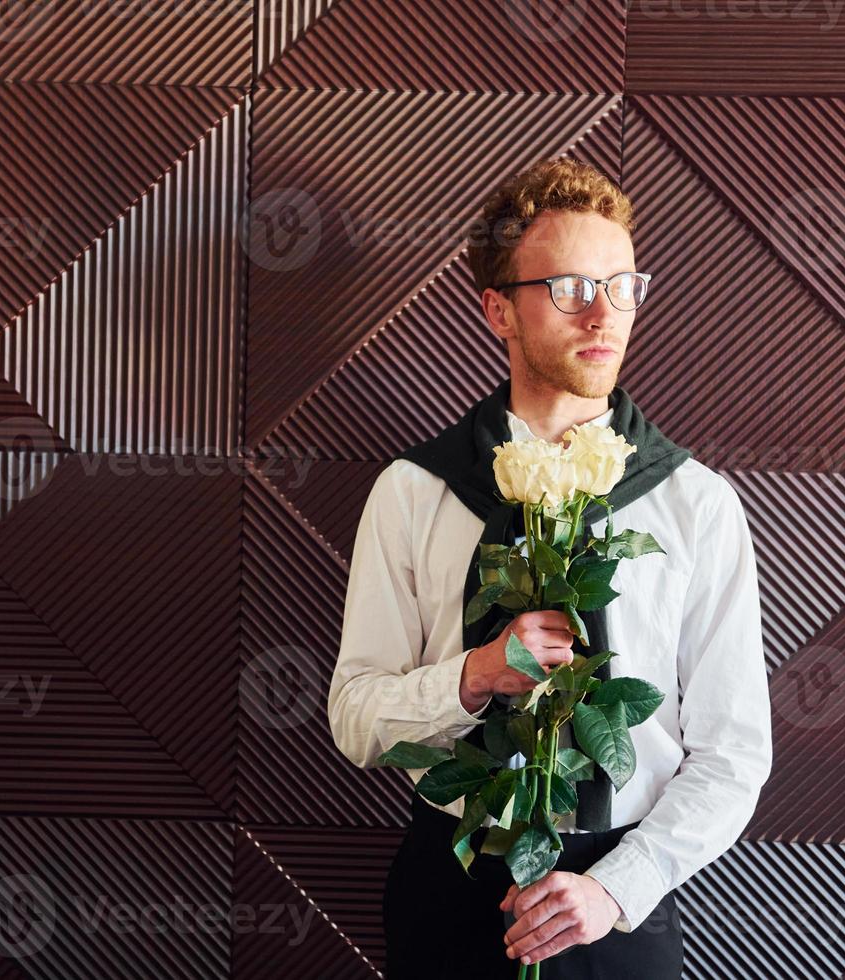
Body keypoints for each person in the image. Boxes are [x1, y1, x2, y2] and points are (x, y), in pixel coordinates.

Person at [326, 158, 773, 978]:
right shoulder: (415, 493)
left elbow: (733, 752)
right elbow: (355, 719)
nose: (604, 313)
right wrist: (474, 676)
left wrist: (616, 888)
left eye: (623, 284)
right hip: (451, 891)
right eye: (568, 288)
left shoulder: (695, 505)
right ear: (498, 309)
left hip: (618, 906)